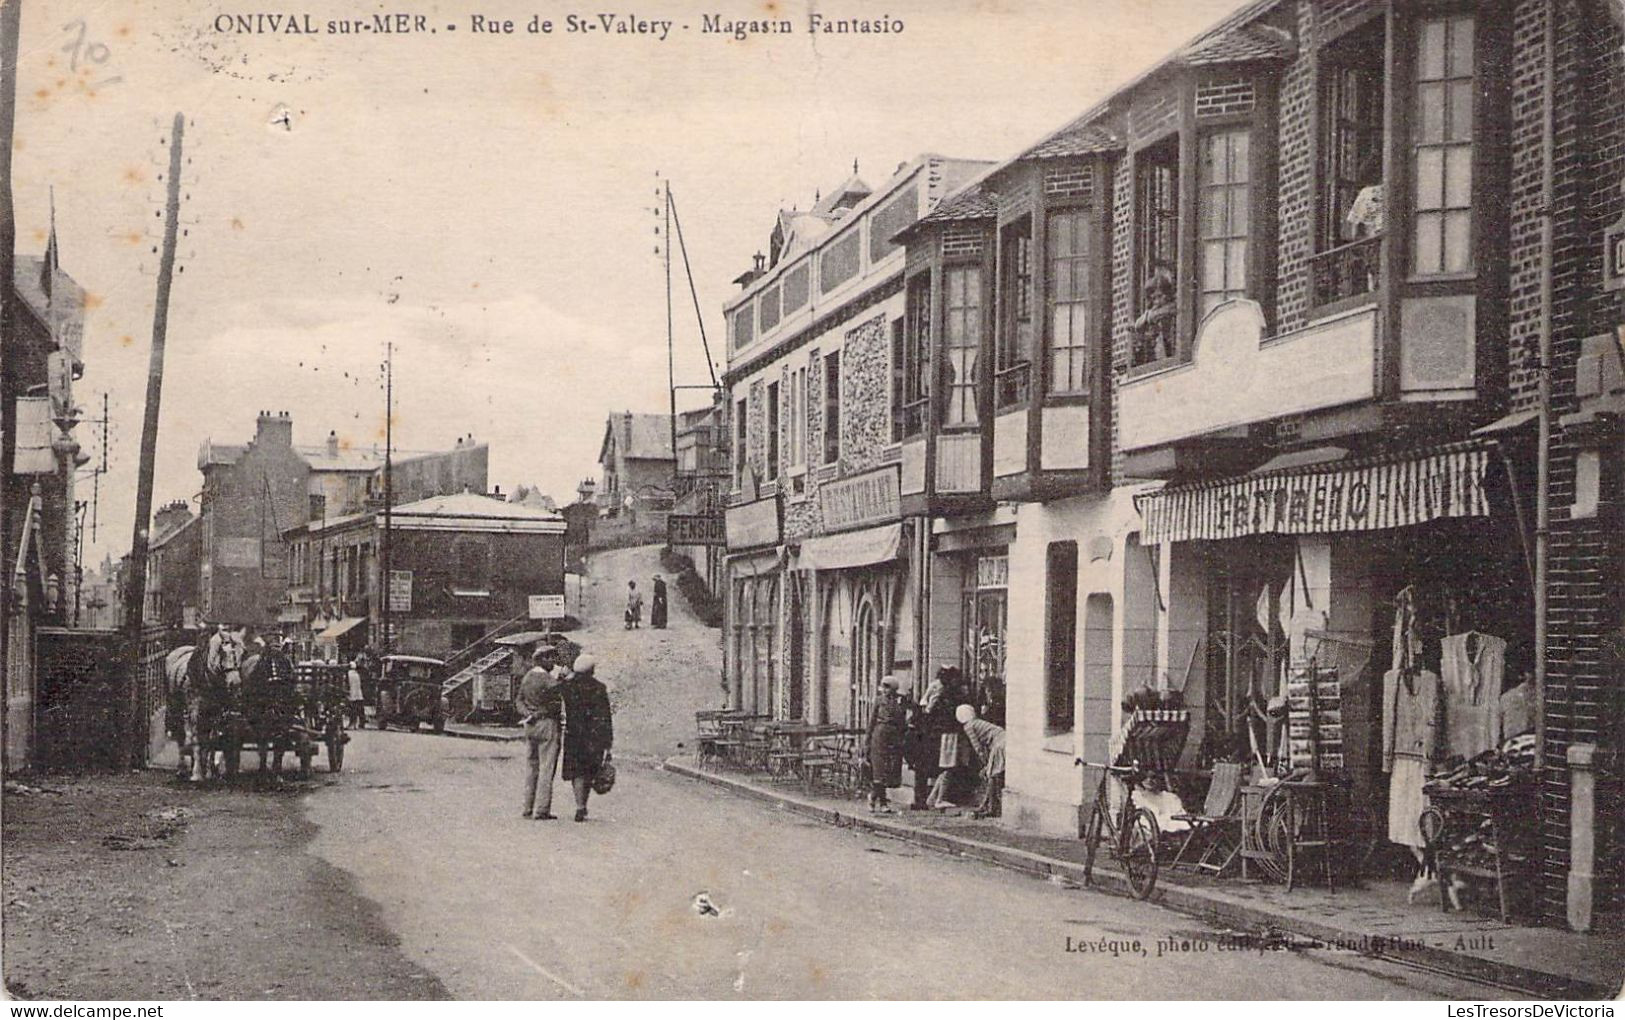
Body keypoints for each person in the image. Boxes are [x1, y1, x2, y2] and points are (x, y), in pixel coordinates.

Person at [559, 653, 614, 822]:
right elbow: (605, 715)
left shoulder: (567, 687)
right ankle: (584, 804)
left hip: (574, 734)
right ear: (592, 670)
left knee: (577, 772)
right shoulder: (599, 688)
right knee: (590, 770)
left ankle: (579, 805)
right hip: (594, 735)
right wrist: (608, 740)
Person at [516, 646, 565, 820]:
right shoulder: (547, 679)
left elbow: (519, 701)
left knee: (531, 766)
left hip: (530, 725)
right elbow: (560, 695)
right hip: (546, 723)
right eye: (551, 658)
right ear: (543, 659)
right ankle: (542, 809)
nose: (554, 662)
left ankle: (527, 807)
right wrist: (562, 676)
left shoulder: (527, 677)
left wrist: (528, 714)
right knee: (546, 767)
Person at [956, 704, 1006, 819]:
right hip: (1003, 739)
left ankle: (989, 807)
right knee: (995, 775)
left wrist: (985, 764)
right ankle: (990, 805)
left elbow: (977, 747)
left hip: (999, 744)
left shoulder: (968, 726)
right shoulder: (977, 722)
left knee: (992, 776)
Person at [865, 676, 907, 814]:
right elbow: (871, 721)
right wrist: (867, 741)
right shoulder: (878, 701)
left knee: (888, 772)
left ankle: (873, 797)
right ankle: (881, 802)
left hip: (893, 737)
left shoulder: (900, 701)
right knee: (879, 771)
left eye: (888, 687)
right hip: (879, 736)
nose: (885, 690)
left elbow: (902, 720)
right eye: (884, 687)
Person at [345, 658, 366, 729]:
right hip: (359, 694)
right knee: (360, 710)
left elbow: (347, 684)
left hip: (352, 694)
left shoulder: (348, 674)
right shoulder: (357, 674)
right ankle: (361, 723)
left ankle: (352, 723)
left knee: (353, 709)